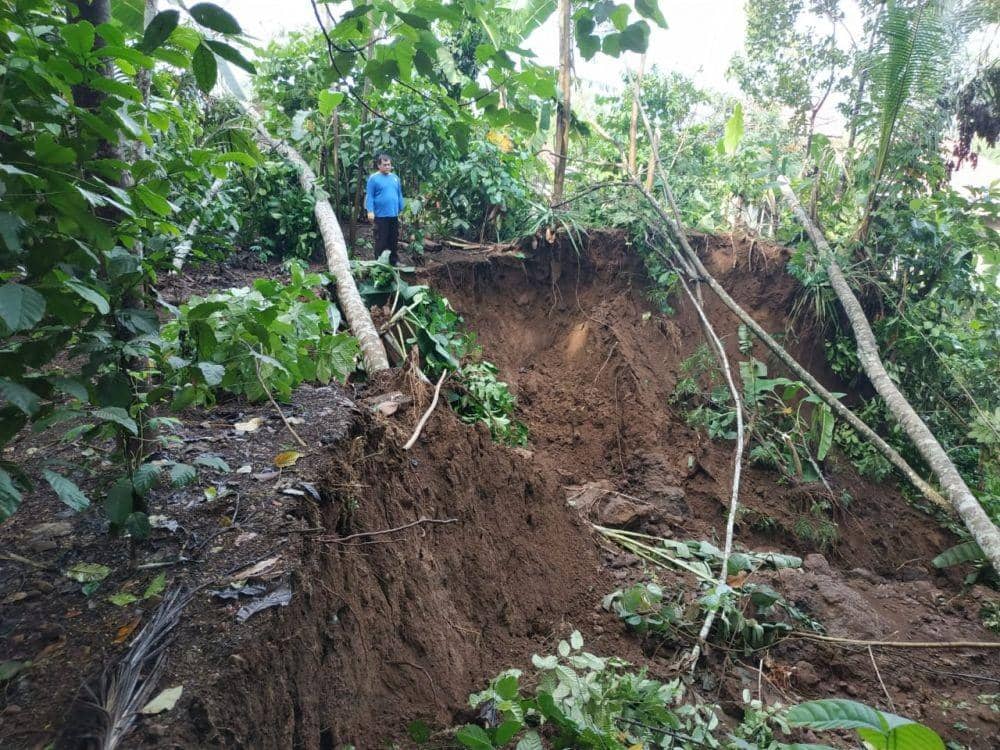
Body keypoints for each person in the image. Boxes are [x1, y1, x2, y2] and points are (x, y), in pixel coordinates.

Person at [365, 153, 405, 266]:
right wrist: (370, 211)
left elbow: (399, 194)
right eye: (385, 164)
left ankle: (394, 261)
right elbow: (370, 196)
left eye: (389, 164)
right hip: (380, 215)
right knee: (381, 240)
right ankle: (380, 263)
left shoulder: (395, 178)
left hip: (393, 214)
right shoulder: (373, 179)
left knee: (393, 239)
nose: (388, 167)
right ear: (379, 165)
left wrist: (401, 208)